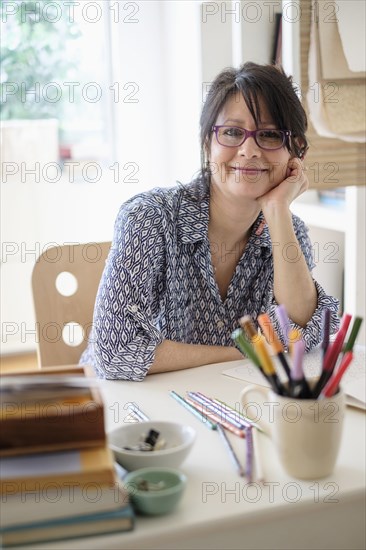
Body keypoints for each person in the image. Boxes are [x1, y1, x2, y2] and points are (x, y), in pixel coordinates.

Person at [80, 62, 340, 381]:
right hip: (138, 401)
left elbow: (303, 333)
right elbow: (114, 353)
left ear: (297, 153)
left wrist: (277, 210)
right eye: (232, 132)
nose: (248, 150)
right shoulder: (148, 218)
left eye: (270, 135)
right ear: (208, 144)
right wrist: (247, 350)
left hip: (232, 403)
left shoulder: (289, 229)